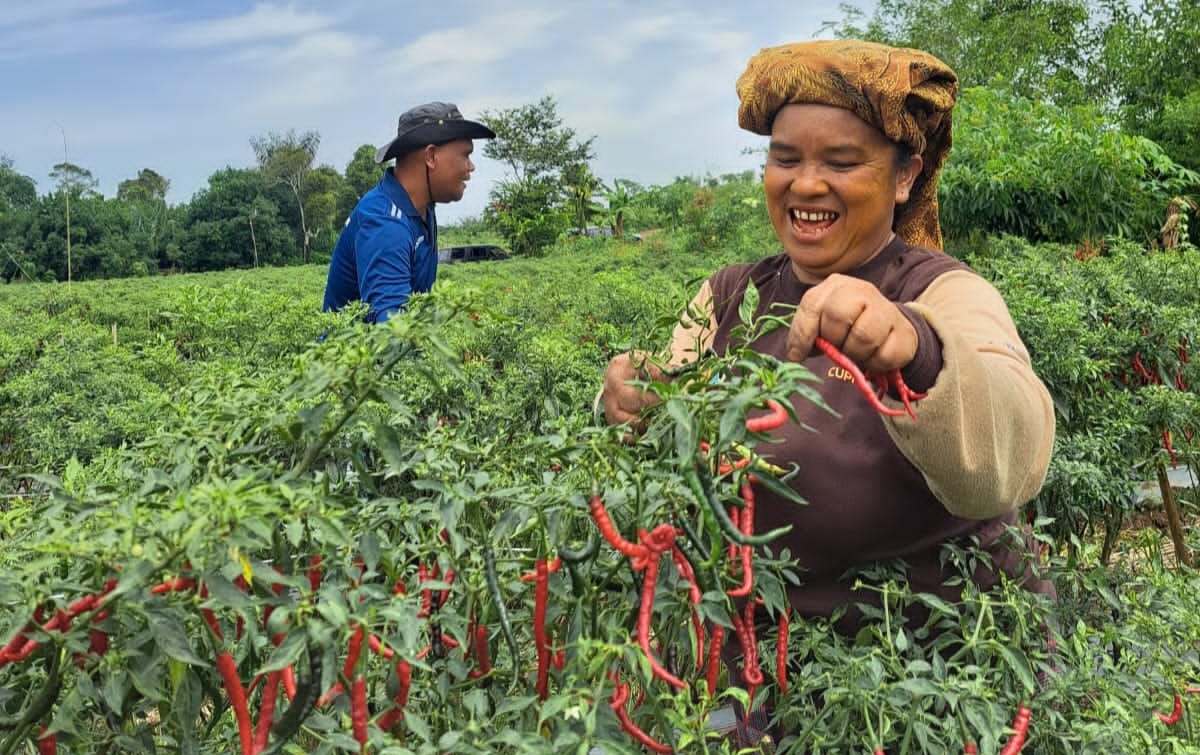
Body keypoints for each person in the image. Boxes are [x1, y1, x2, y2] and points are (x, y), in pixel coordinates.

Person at [602, 37, 1055, 667]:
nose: (807, 184)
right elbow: (661, 435)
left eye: (841, 162)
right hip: (768, 672)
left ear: (905, 176)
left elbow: (1014, 453)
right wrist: (629, 401)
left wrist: (916, 348)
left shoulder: (943, 292)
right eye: (785, 159)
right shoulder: (729, 296)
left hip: (942, 678)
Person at [322, 102, 495, 324]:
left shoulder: (423, 209)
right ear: (431, 156)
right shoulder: (386, 224)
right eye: (465, 155)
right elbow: (392, 331)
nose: (471, 167)